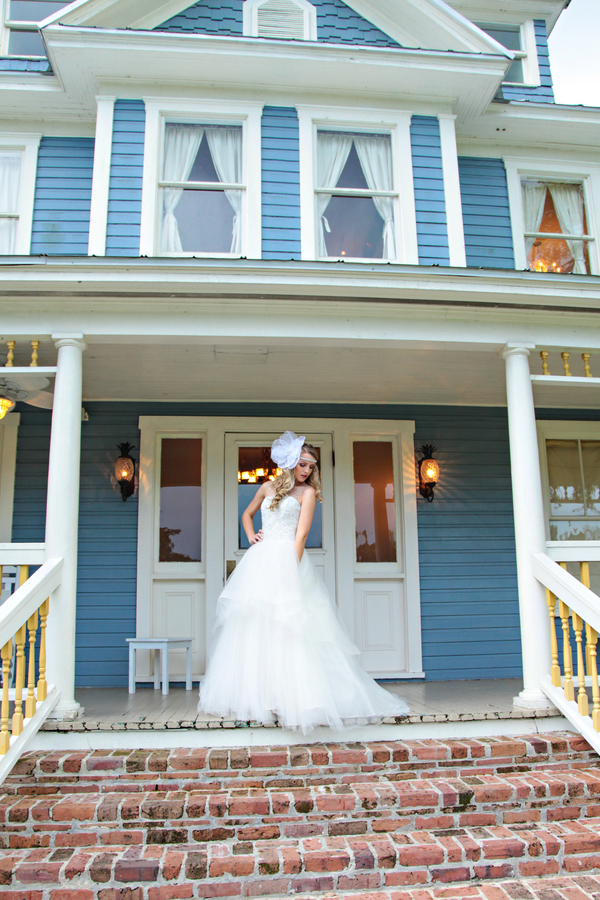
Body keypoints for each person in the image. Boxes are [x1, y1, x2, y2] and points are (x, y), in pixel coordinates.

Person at [198, 430, 409, 732]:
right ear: (290, 463)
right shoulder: (268, 487)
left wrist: (289, 571)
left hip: (288, 559)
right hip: (261, 560)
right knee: (258, 627)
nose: (307, 471)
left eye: (311, 466)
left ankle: (290, 698)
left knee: (291, 628)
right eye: (303, 465)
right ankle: (262, 695)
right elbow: (247, 514)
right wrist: (250, 536)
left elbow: (301, 535)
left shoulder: (307, 494)